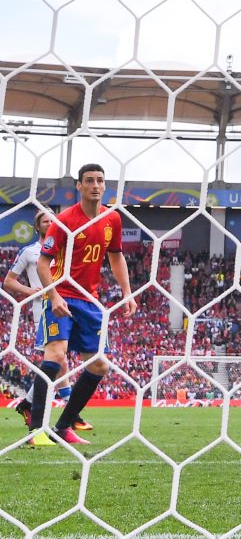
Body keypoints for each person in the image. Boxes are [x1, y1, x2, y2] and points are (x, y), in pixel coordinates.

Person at [29, 163, 137, 446]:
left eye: (100, 180)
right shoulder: (64, 220)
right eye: (89, 180)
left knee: (100, 365)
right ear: (79, 186)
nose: (96, 185)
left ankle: (63, 426)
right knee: (56, 355)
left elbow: (116, 256)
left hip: (90, 301)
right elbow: (43, 263)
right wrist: (53, 296)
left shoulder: (111, 219)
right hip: (62, 295)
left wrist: (127, 292)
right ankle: (36, 431)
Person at [4, 209, 94, 433]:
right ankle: (71, 412)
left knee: (58, 361)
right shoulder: (30, 252)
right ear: (38, 226)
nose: (50, 223)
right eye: (46, 221)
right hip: (43, 309)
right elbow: (9, 282)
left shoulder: (65, 249)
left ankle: (28, 404)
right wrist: (30, 290)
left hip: (67, 306)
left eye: (53, 220)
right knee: (59, 359)